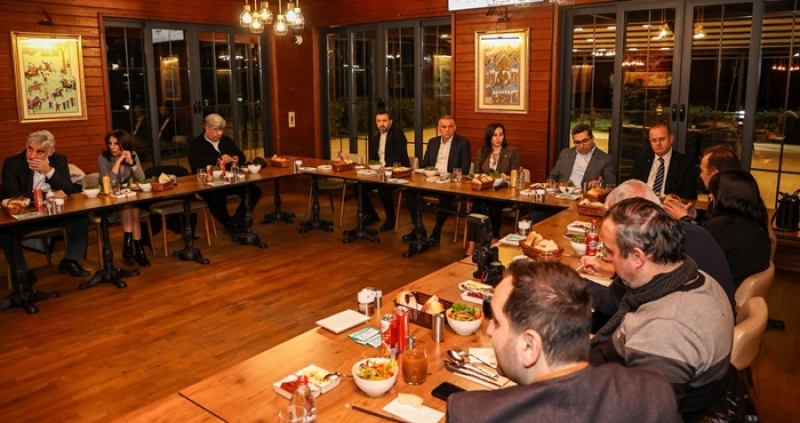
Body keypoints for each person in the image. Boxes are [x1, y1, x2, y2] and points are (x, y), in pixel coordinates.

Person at [446, 260, 681, 423]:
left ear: (529, 346)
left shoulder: (473, 414)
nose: (488, 330)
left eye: (496, 321)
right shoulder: (653, 391)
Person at [589, 198, 740, 421]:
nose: (607, 258)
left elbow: (642, 414)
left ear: (638, 257)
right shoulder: (696, 278)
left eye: (610, 251)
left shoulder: (666, 330)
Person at [581, 180, 735, 319]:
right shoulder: (686, 233)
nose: (608, 257)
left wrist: (572, 282)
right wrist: (611, 269)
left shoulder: (651, 246)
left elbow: (611, 302)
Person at [0, 130, 90, 279]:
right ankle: (23, 274)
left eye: (40, 152)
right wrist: (49, 195)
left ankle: (70, 261)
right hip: (25, 215)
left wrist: (49, 171)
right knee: (5, 232)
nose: (32, 156)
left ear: (51, 151)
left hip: (52, 212)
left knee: (81, 219)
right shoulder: (13, 163)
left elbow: (68, 188)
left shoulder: (59, 160)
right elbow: (13, 194)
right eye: (30, 149)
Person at [188, 114, 261, 236]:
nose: (220, 133)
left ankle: (235, 222)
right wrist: (219, 159)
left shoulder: (226, 141)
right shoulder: (196, 144)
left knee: (254, 191)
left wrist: (236, 159)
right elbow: (196, 164)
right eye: (216, 129)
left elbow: (241, 156)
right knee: (216, 197)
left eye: (221, 129)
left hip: (229, 180)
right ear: (206, 128)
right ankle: (229, 223)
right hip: (208, 184)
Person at [403, 115, 471, 245]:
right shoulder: (433, 142)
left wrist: (448, 177)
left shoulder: (463, 143)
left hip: (449, 183)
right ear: (439, 128)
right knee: (410, 192)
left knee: (445, 197)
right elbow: (425, 164)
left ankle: (437, 230)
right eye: (444, 127)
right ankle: (418, 228)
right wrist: (428, 172)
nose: (447, 130)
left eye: (450, 127)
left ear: (455, 128)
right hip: (431, 180)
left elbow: (465, 169)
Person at [703, 170, 771, 289]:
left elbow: (695, 257)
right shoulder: (755, 220)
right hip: (737, 284)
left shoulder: (723, 226)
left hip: (719, 292)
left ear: (723, 196)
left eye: (713, 192)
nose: (710, 196)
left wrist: (684, 220)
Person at [464, 123, 520, 256]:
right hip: (484, 189)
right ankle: (472, 243)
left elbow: (515, 173)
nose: (498, 138)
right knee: (478, 205)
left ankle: (493, 240)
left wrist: (506, 177)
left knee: (494, 205)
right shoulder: (482, 151)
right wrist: (482, 177)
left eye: (501, 134)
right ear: (489, 136)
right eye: (494, 135)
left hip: (503, 191)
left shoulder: (511, 151)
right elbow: (477, 172)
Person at [97, 129, 149, 266]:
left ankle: (133, 249)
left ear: (124, 145)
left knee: (133, 206)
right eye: (110, 143)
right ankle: (134, 249)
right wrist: (118, 161)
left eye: (116, 144)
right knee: (128, 206)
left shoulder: (132, 155)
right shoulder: (103, 158)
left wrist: (132, 162)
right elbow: (108, 183)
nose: (112, 147)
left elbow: (142, 179)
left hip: (126, 199)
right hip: (108, 203)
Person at [357, 111, 410, 231]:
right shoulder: (374, 139)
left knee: (383, 190)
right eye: (379, 121)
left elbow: (399, 155)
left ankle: (391, 218)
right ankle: (371, 214)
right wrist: (375, 167)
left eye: (384, 121)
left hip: (396, 173)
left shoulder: (398, 135)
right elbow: (372, 160)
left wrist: (384, 167)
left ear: (390, 122)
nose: (382, 124)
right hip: (378, 174)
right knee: (358, 188)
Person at [664, 144, 740, 221]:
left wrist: (683, 218)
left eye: (703, 171)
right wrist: (694, 213)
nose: (701, 175)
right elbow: (712, 217)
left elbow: (714, 227)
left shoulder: (729, 202)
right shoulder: (727, 193)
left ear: (714, 174)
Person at [630, 123, 697, 200]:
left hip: (670, 205)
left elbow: (689, 194)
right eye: (653, 140)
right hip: (643, 203)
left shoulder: (685, 163)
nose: (658, 143)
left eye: (661, 139)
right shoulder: (641, 159)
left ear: (671, 139)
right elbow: (632, 186)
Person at [547, 123, 615, 187]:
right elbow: (553, 176)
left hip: (586, 193)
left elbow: (610, 183)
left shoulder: (605, 159)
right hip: (564, 192)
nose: (581, 145)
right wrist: (551, 183)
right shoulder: (565, 154)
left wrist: (599, 183)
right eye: (577, 142)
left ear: (592, 138)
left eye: (585, 141)